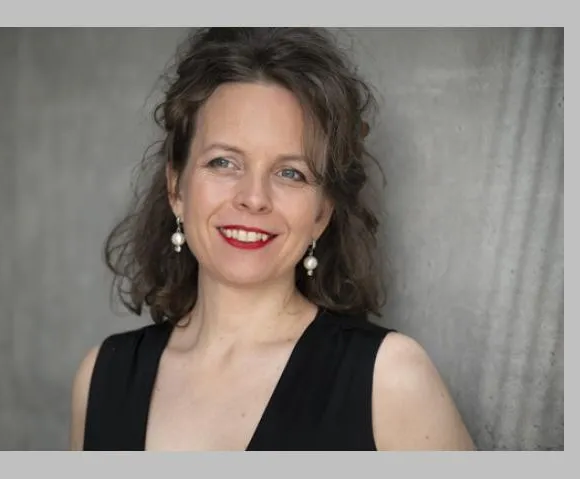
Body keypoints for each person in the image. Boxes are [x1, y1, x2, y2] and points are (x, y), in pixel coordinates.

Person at [69, 27, 475, 451]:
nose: (254, 198)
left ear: (322, 212)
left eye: (290, 173)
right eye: (224, 162)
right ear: (176, 188)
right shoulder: (100, 379)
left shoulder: (390, 380)